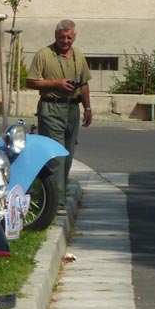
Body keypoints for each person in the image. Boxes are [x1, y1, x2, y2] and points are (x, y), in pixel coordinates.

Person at [26, 19, 92, 212]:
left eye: (69, 38)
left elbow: (84, 84)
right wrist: (57, 83)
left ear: (74, 37)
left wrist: (87, 108)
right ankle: (56, 204)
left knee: (68, 155)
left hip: (72, 109)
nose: (65, 41)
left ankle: (54, 195)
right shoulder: (44, 55)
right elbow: (31, 82)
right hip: (51, 107)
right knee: (56, 157)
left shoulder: (79, 55)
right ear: (55, 36)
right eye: (62, 37)